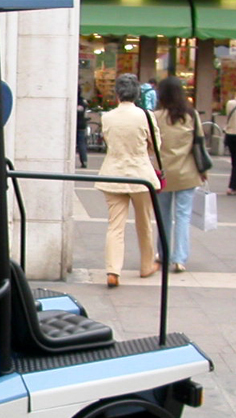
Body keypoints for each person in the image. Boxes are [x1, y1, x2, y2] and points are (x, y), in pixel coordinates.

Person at [97, 74, 162, 288]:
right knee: (144, 222)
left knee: (115, 225)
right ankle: (146, 265)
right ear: (137, 94)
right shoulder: (146, 116)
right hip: (140, 174)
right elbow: (156, 146)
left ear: (116, 94)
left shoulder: (107, 117)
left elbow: (108, 143)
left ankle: (113, 270)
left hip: (113, 172)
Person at [153, 77, 206, 273]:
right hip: (187, 172)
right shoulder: (191, 115)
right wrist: (203, 170)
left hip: (163, 174)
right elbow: (199, 143)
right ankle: (180, 258)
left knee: (163, 216)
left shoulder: (156, 116)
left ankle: (163, 254)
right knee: (183, 216)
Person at [76, 87, 89, 169]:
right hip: (81, 125)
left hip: (76, 124)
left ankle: (84, 160)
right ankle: (84, 161)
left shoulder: (75, 101)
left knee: (80, 144)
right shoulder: (83, 101)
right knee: (81, 144)